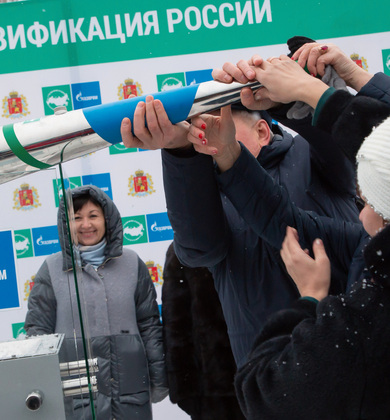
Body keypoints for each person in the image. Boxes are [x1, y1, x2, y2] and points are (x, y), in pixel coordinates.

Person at [189, 56, 390, 418]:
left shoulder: (374, 306)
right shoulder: (368, 250)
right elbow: (283, 220)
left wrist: (311, 298)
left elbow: (269, 394)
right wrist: (316, 92)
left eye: (372, 202)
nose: (360, 214)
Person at [24, 185, 167, 420]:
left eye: (93, 216)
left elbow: (149, 325)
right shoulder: (51, 269)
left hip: (130, 396)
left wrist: (159, 377)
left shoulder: (132, 263)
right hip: (76, 401)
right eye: (77, 218)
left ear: (107, 219)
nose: (86, 225)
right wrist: (41, 385)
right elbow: (38, 334)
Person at [161, 243, 244, 420]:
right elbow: (176, 327)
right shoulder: (183, 250)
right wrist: (184, 388)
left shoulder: (251, 240)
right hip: (213, 391)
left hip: (261, 378)